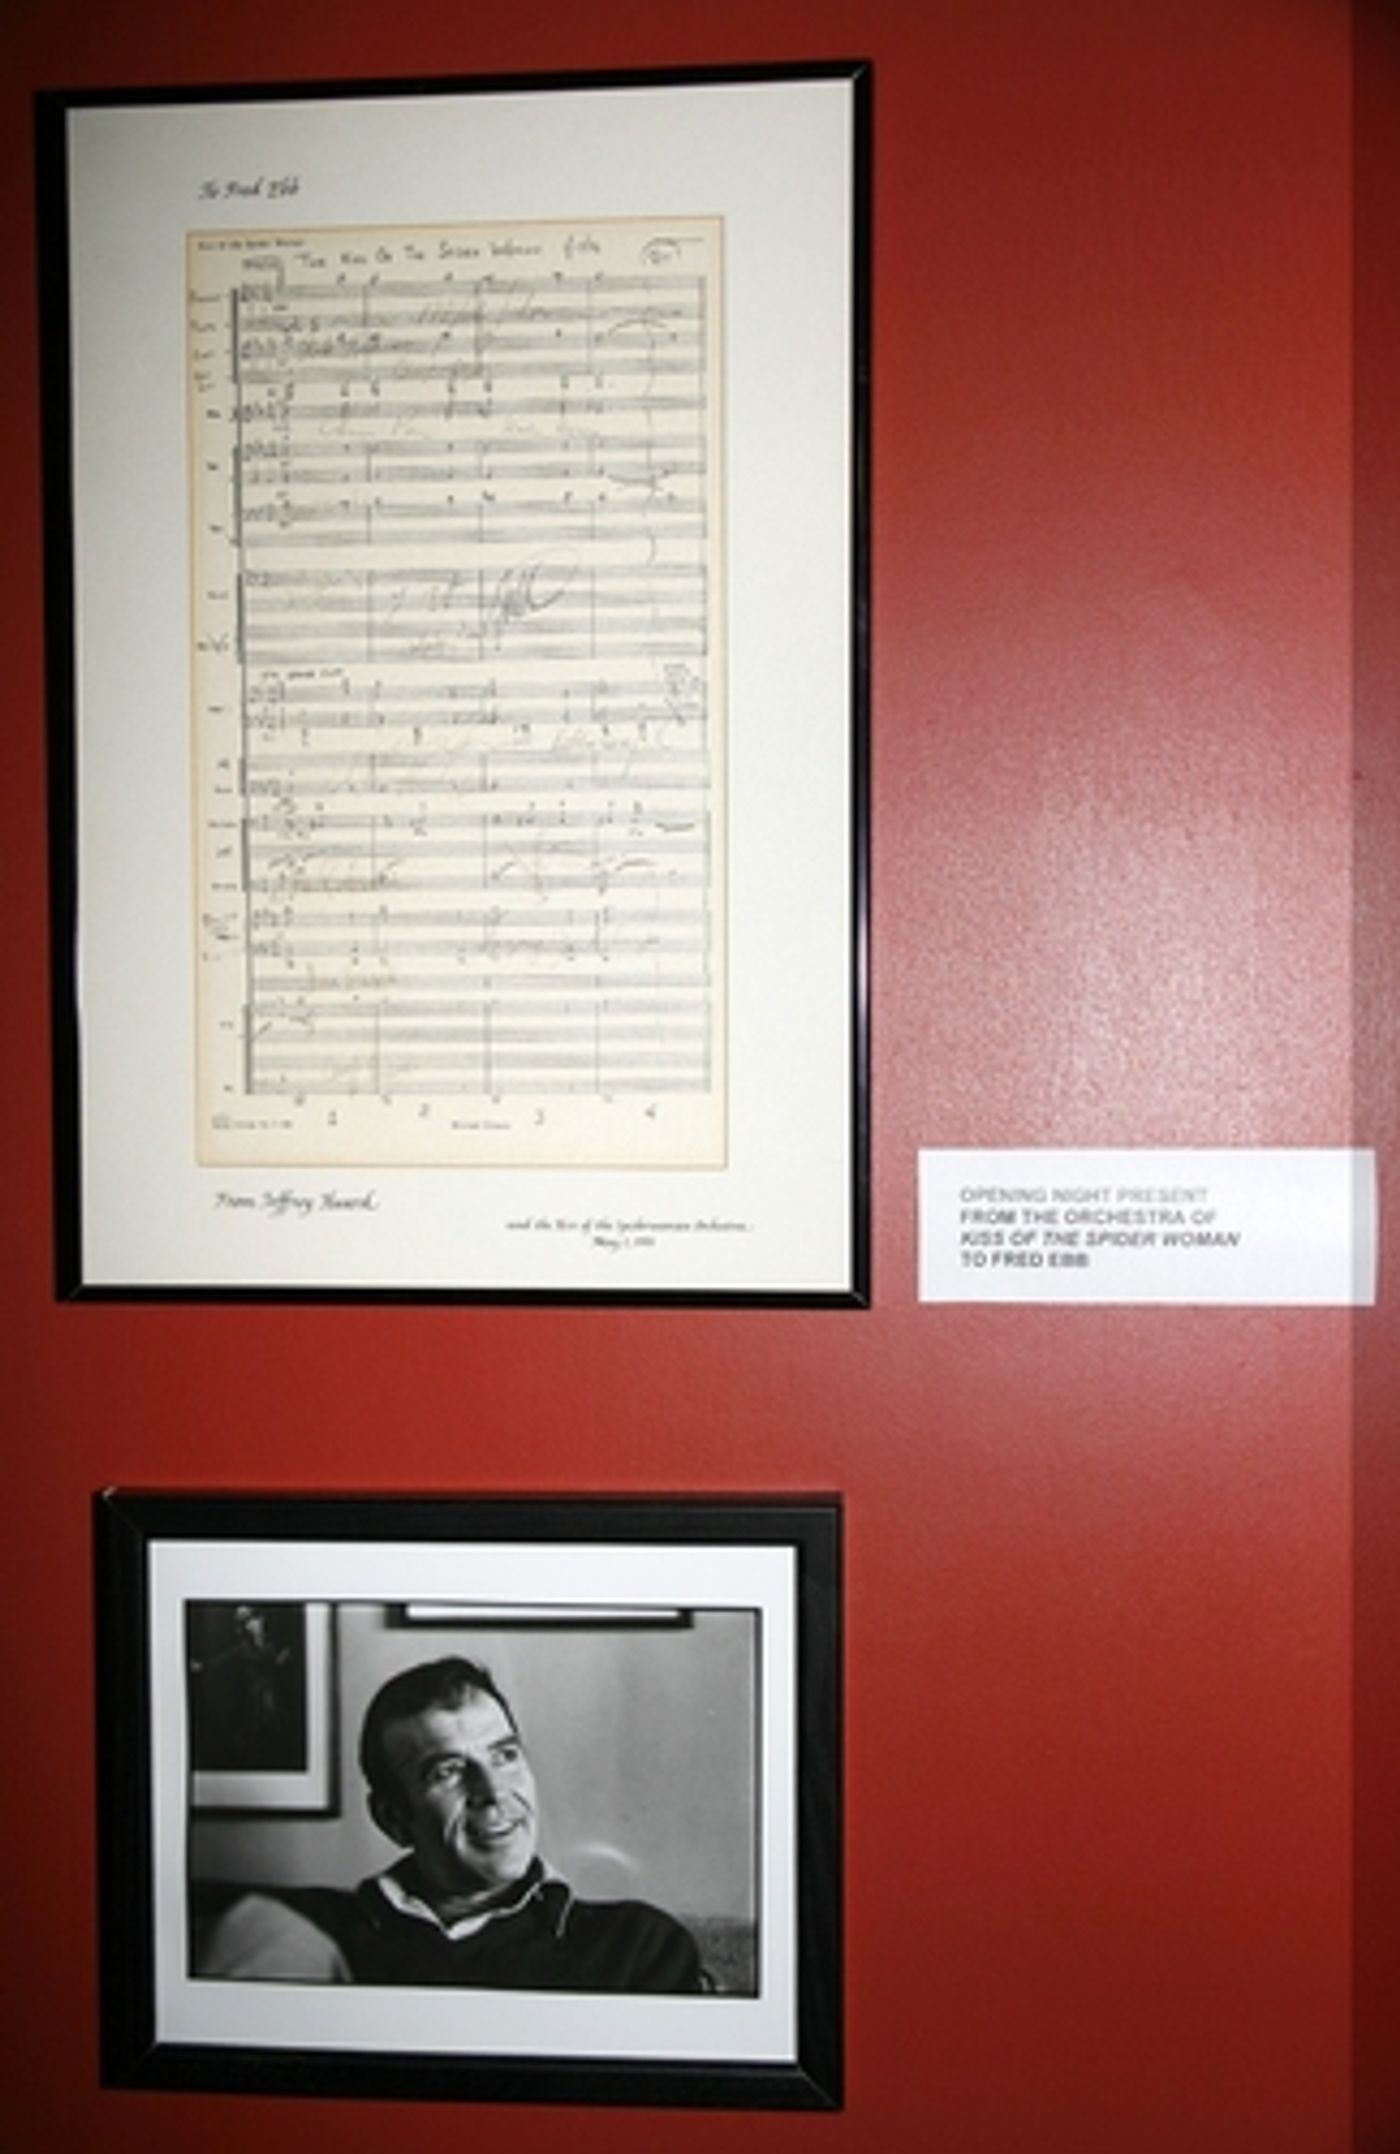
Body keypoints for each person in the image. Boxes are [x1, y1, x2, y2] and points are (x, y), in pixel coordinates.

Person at [196, 1654, 706, 1992]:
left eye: (505, 1755)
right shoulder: (305, 1933)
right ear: (393, 1819)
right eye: (448, 1771)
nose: (494, 1792)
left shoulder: (637, 1945)